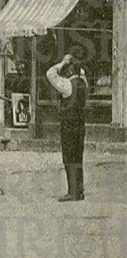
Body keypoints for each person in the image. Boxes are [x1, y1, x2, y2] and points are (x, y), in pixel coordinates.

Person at [46, 52, 89, 202]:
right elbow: (81, 72)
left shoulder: (67, 85)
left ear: (70, 71)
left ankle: (72, 192)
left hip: (68, 126)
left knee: (68, 158)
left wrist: (63, 62)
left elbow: (50, 74)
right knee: (78, 157)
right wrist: (74, 63)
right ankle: (80, 190)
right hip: (80, 126)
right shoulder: (84, 83)